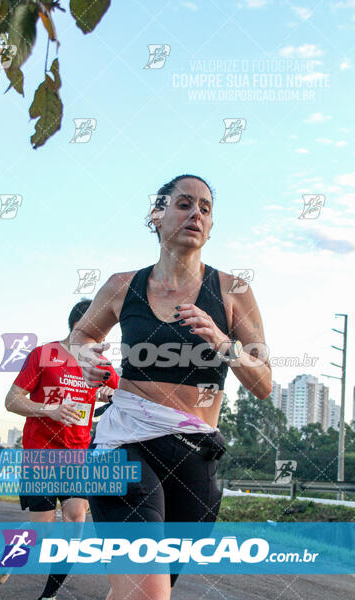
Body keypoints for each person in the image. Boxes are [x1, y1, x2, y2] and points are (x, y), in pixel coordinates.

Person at [70, 174, 272, 600]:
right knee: (149, 591)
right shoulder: (123, 286)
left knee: (140, 590)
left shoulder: (233, 290)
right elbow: (82, 338)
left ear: (211, 226)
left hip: (195, 456)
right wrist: (88, 359)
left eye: (205, 208)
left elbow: (264, 383)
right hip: (123, 444)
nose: (195, 214)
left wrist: (223, 343)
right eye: (183, 204)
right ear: (157, 216)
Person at [2, 299, 119, 600]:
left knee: (75, 520)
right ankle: (14, 550)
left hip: (78, 457)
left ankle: (48, 596)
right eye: (100, 330)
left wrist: (110, 393)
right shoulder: (44, 355)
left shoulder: (101, 365)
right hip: (40, 453)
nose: (104, 340)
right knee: (42, 532)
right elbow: (12, 400)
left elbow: (126, 396)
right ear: (81, 327)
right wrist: (49, 410)